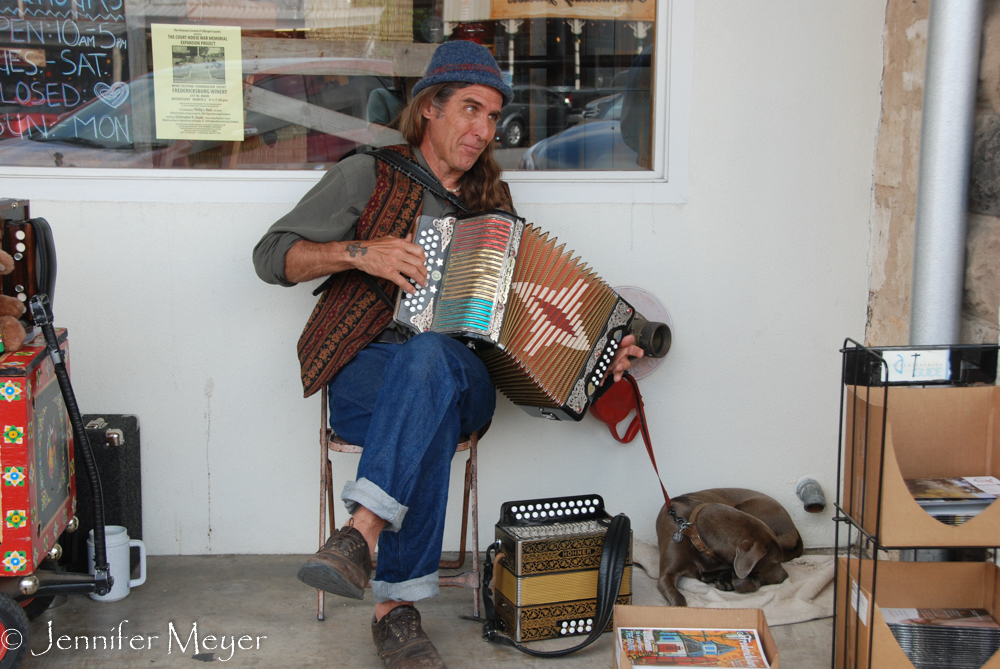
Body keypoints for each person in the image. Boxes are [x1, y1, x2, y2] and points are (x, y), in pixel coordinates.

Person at [252, 39, 642, 669]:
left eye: (492, 116)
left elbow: (524, 315)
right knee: (421, 404)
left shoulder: (494, 206)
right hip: (367, 370)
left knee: (432, 360)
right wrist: (361, 253)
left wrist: (594, 357)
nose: (483, 129)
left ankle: (360, 535)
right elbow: (271, 258)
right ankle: (396, 613)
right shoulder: (369, 174)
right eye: (469, 109)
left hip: (463, 378)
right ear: (429, 107)